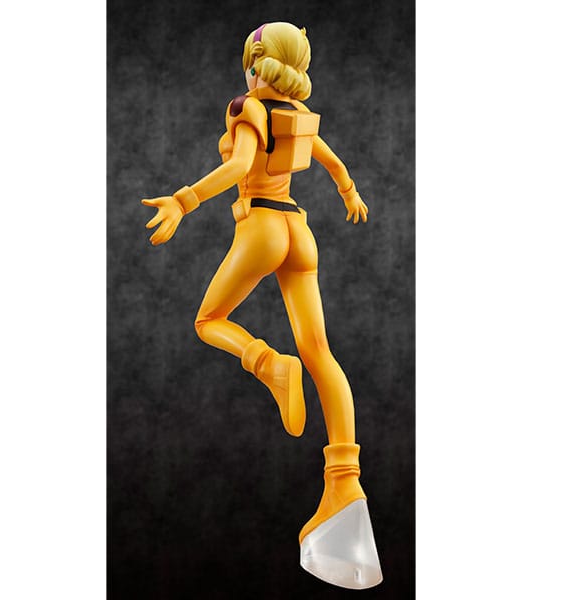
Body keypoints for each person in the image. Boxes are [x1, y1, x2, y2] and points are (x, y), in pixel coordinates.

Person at [142, 22, 382, 589]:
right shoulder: (299, 113)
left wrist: (184, 200)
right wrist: (349, 191)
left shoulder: (247, 107)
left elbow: (237, 167)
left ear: (254, 64)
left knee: (208, 320)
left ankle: (269, 364)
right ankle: (344, 480)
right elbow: (332, 161)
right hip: (300, 233)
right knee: (321, 352)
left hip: (262, 229)